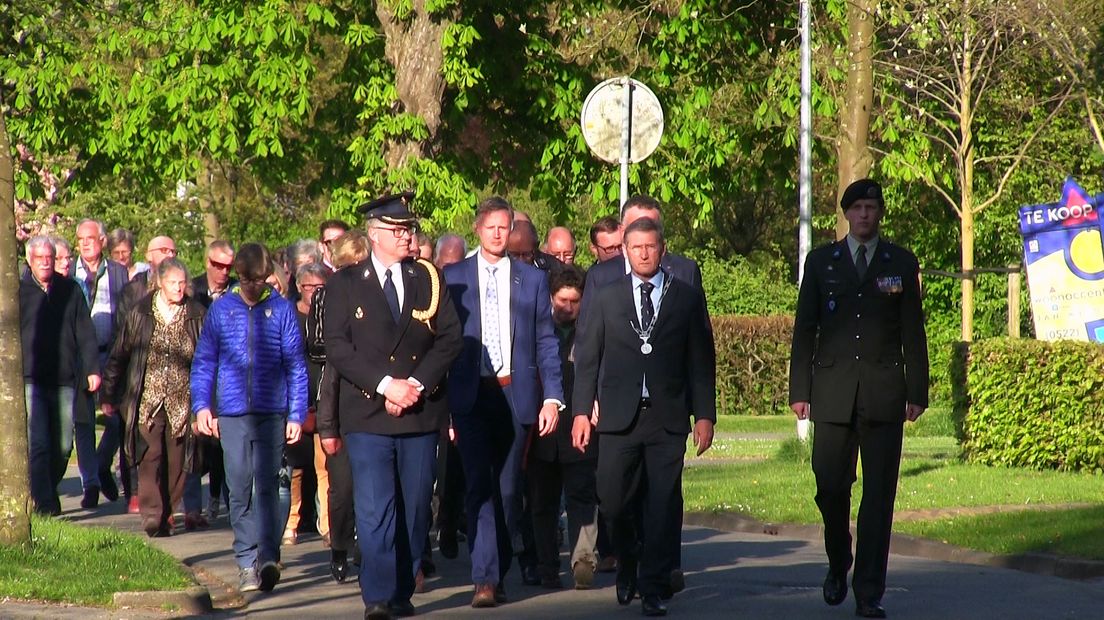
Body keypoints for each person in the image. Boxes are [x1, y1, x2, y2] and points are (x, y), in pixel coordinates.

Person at [788, 179, 929, 620]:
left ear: (880, 213)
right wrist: (799, 391)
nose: (865, 215)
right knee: (830, 485)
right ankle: (838, 560)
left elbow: (912, 330)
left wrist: (917, 390)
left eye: (872, 207)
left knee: (879, 496)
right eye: (858, 208)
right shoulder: (821, 262)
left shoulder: (900, 263)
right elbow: (804, 329)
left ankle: (869, 590)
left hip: (884, 393)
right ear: (846, 214)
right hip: (831, 394)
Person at [321, 192, 462, 619]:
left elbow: (450, 338)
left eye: (410, 229)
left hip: (418, 411)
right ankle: (378, 595)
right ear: (375, 234)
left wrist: (414, 384)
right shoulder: (345, 283)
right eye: (399, 230)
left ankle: (403, 587)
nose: (408, 237)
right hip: (368, 412)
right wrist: (387, 386)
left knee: (417, 505)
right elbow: (339, 348)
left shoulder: (427, 277)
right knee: (376, 505)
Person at [571, 216, 716, 617]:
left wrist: (704, 414)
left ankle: (652, 587)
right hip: (618, 417)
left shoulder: (684, 297)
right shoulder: (606, 296)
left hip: (666, 417)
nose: (644, 253)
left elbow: (701, 360)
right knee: (614, 500)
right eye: (636, 247)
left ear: (662, 248)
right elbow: (587, 360)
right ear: (625, 251)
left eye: (651, 246)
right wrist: (582, 411)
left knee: (661, 503)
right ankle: (628, 561)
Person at [444, 196, 563, 608]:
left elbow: (546, 341)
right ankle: (485, 578)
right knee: (478, 483)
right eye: (490, 226)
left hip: (516, 393)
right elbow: (444, 343)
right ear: (477, 228)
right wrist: (445, 407)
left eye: (504, 227)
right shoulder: (454, 276)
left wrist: (552, 398)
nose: (498, 234)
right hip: (472, 392)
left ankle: (500, 563)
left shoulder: (529, 279)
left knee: (509, 491)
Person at [190, 243, 308, 594]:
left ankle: (268, 556)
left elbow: (296, 365)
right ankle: (245, 558)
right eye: (246, 280)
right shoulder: (222, 310)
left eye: (258, 279)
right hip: (232, 411)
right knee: (239, 486)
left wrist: (297, 412)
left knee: (268, 486)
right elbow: (204, 361)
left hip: (272, 411)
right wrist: (202, 406)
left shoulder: (282, 310)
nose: (253, 286)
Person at [101, 258, 206, 537]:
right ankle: (151, 513)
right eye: (173, 283)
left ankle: (167, 512)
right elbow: (119, 354)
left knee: (177, 461)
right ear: (160, 282)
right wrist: (109, 393)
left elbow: (209, 359)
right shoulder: (141, 313)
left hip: (183, 401)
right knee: (150, 455)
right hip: (147, 397)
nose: (179, 289)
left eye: (182, 283)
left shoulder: (197, 314)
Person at [528, 265, 599, 590]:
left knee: (581, 496)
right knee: (542, 501)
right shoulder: (537, 330)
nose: (566, 307)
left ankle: (583, 558)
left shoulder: (591, 331)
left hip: (580, 425)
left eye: (574, 301)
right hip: (543, 428)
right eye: (561, 300)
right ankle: (545, 565)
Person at [20, 236, 100, 516]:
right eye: (39, 257)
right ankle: (45, 504)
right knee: (39, 442)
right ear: (29, 260)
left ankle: (44, 487)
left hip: (65, 380)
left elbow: (85, 332)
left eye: (49, 258)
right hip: (31, 380)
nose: (45, 262)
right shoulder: (18, 291)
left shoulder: (70, 290)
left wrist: (92, 367)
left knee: (64, 446)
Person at [313, 229, 370, 584]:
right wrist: (327, 427)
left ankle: (367, 550)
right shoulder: (330, 296)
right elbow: (328, 365)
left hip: (373, 407)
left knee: (370, 488)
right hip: (338, 392)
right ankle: (339, 547)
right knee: (342, 488)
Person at [72, 219, 131, 509]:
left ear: (102, 241)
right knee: (82, 421)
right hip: (80, 358)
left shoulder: (119, 273)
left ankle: (101, 461)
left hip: (112, 355)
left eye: (91, 238)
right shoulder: (69, 272)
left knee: (116, 418)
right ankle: (90, 483)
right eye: (80, 238)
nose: (85, 243)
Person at [283, 262, 331, 547]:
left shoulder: (331, 315)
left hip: (323, 396)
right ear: (299, 288)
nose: (314, 292)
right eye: (309, 287)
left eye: (319, 287)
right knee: (296, 466)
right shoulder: (290, 315)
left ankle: (327, 525)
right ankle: (290, 522)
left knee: (325, 464)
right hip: (296, 399)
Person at [191, 239, 236, 522]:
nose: (223, 271)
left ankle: (226, 499)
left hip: (229, 373)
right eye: (218, 265)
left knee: (225, 441)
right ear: (208, 262)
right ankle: (199, 500)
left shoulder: (236, 291)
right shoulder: (193, 290)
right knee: (201, 444)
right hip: (199, 368)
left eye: (228, 267)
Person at [431, 231, 468, 560]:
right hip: (429, 389)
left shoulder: (466, 293)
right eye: (446, 265)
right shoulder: (426, 286)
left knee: (454, 463)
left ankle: (450, 520)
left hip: (458, 386)